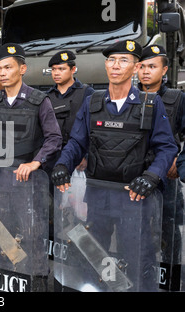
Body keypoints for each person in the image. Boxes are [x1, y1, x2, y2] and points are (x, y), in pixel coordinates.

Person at [51, 40, 178, 291]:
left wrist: (152, 176)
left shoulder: (150, 105)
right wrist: (63, 164)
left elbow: (167, 147)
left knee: (136, 256)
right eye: (111, 60)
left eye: (123, 60)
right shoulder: (92, 102)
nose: (115, 66)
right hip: (97, 197)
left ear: (135, 67)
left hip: (134, 198)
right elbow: (77, 141)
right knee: (94, 253)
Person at [0, 43, 63, 180]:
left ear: (22, 69)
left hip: (27, 181)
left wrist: (35, 163)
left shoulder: (39, 101)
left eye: (8, 67)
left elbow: (54, 138)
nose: (2, 73)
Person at [137, 44, 185, 289]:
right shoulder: (129, 96)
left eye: (152, 67)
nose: (146, 72)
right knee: (136, 229)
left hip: (166, 175)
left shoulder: (177, 98)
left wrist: (179, 158)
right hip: (136, 174)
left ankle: (169, 278)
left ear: (164, 69)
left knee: (167, 230)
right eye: (142, 66)